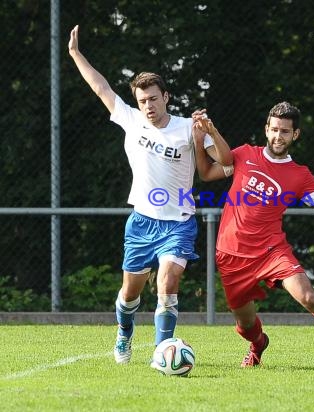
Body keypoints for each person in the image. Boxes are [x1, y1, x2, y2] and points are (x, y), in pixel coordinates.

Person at [68, 25, 232, 364]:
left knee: (168, 284)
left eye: (153, 99)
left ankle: (162, 352)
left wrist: (211, 131)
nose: (148, 106)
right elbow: (100, 87)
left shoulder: (188, 127)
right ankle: (124, 334)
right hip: (142, 222)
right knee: (130, 294)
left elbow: (224, 161)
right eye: (142, 101)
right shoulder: (130, 119)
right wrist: (75, 54)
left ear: (166, 97)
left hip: (180, 223)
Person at [192, 101, 314, 373]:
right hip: (231, 253)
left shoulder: (300, 176)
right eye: (274, 130)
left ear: (295, 135)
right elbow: (209, 170)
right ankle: (257, 345)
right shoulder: (245, 155)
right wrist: (201, 139)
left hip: (272, 252)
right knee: (245, 325)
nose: (278, 136)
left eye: (285, 131)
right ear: (266, 130)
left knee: (309, 297)